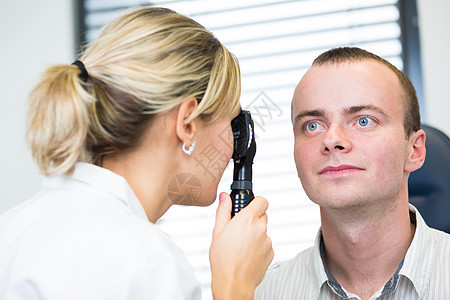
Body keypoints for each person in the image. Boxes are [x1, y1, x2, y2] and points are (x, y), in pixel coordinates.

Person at [0, 7, 273, 300]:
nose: (235, 148)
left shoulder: (10, 231)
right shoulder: (148, 262)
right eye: (232, 125)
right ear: (187, 125)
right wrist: (234, 285)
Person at [255, 47, 450, 299]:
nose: (331, 139)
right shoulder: (261, 293)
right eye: (312, 125)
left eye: (364, 120)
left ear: (414, 150)